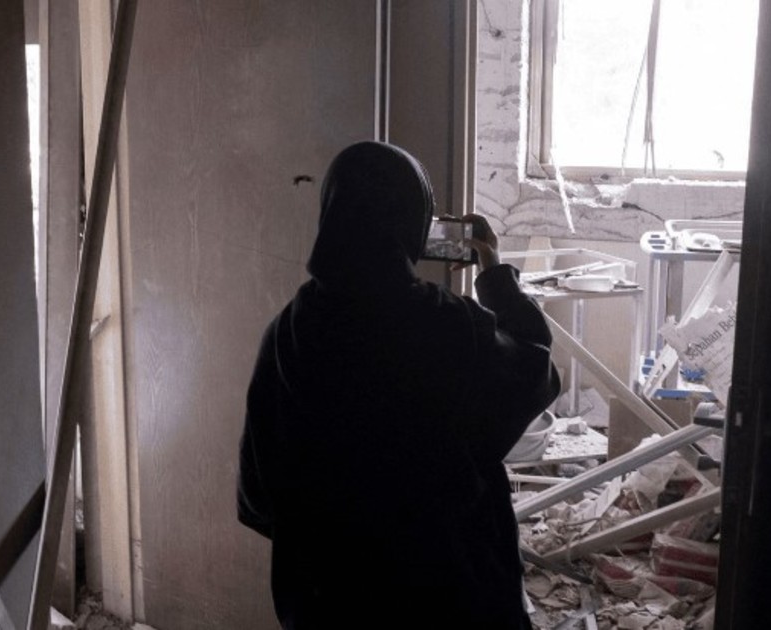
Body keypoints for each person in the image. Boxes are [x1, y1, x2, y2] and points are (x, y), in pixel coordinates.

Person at [237, 141, 560, 629]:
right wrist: (494, 274)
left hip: (327, 603)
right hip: (448, 597)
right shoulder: (450, 327)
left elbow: (257, 498)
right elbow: (535, 370)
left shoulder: (287, 333)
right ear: (413, 221)